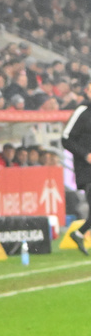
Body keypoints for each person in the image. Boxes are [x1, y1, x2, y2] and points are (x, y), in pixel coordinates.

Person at [62, 104, 91, 254]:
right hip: (87, 171)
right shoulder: (83, 111)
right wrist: (86, 154)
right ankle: (79, 233)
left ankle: (79, 234)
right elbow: (66, 138)